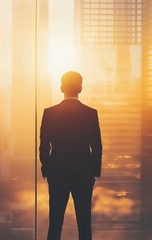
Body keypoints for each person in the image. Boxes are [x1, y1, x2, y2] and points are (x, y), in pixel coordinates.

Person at [39, 71, 102, 240]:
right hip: (84, 174)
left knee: (55, 222)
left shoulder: (49, 113)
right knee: (84, 223)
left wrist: (47, 170)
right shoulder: (90, 113)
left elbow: (44, 145)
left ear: (61, 88)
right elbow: (96, 146)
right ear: (80, 89)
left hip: (57, 174)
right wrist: (95, 171)